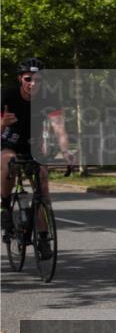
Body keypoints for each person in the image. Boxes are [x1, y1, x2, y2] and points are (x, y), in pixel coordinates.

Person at [1, 57, 72, 260]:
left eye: (38, 80)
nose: (33, 83)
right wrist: (3, 124)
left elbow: (59, 129)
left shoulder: (49, 98)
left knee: (42, 184)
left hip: (33, 146)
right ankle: (4, 207)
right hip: (7, 144)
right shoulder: (6, 95)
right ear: (20, 79)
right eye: (28, 79)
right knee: (8, 163)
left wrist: (67, 152)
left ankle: (42, 237)